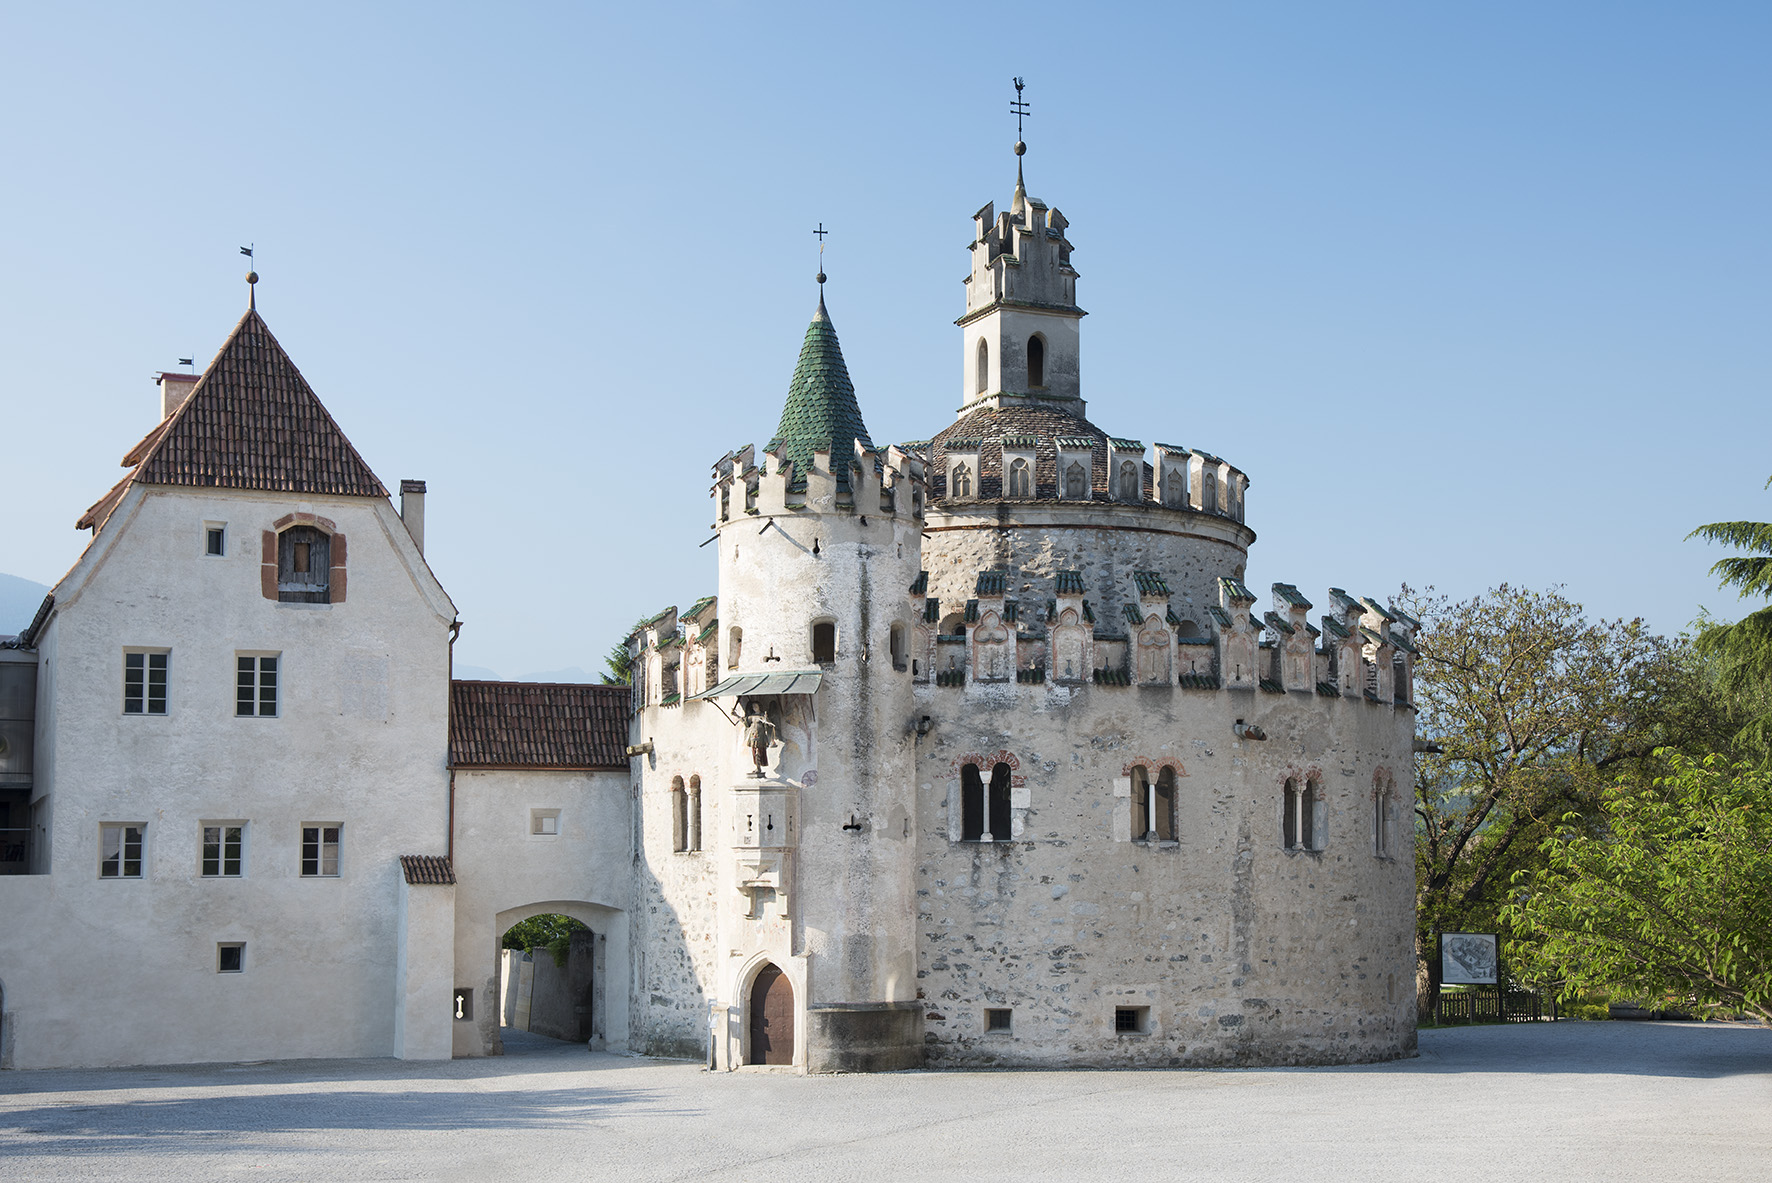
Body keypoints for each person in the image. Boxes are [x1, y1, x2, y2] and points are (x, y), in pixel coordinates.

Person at [742, 704, 775, 777]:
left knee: (759, 751)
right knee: (754, 751)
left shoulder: (762, 716)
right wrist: (736, 715)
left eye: (756, 706)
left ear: (759, 706)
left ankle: (759, 767)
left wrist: (766, 719)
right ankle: (757, 767)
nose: (754, 708)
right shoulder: (752, 716)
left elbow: (769, 725)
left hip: (760, 737)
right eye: (753, 706)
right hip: (753, 736)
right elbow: (745, 721)